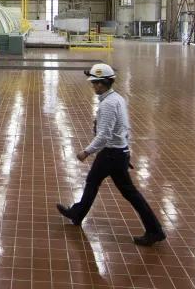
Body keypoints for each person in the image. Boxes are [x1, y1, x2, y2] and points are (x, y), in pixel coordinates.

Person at [56, 63, 166, 246]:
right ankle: (78, 213)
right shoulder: (117, 98)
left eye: (94, 83)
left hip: (112, 154)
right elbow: (122, 127)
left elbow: (104, 135)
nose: (92, 87)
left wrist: (86, 152)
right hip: (118, 152)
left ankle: (155, 230)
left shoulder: (107, 104)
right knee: (94, 182)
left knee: (127, 192)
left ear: (101, 84)